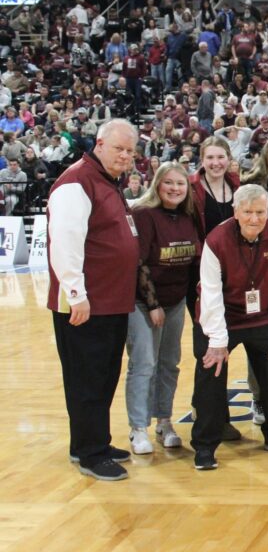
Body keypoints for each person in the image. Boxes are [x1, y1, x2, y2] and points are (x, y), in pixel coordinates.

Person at [48, 120, 140, 481]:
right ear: (99, 144)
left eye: (130, 151)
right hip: (87, 304)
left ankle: (89, 441)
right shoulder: (77, 181)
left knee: (101, 377)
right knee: (88, 379)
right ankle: (92, 454)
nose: (125, 156)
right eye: (119, 148)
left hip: (110, 301)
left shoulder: (107, 181)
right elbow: (65, 242)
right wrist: (76, 294)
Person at [192, 185, 268, 470]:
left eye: (260, 212)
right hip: (221, 316)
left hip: (262, 315)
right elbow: (211, 293)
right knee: (211, 369)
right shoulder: (216, 239)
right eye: (248, 212)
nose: (255, 218)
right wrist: (217, 341)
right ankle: (205, 444)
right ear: (236, 212)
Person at [124, 162, 200, 454]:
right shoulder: (144, 214)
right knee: (144, 363)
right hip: (143, 302)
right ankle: (138, 428)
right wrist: (153, 304)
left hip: (176, 300)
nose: (175, 188)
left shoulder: (188, 215)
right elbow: (138, 261)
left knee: (169, 363)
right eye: (169, 182)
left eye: (180, 183)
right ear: (157, 184)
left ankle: (164, 421)